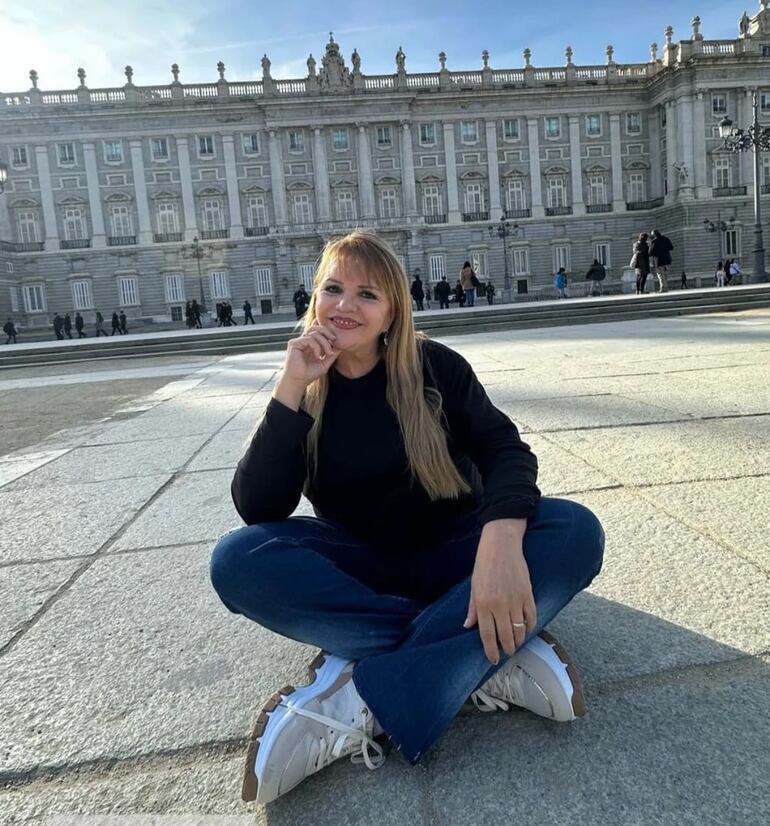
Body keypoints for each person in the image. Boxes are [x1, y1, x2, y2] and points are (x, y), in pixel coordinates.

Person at [209, 230, 605, 805]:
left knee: (575, 531)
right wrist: (291, 386)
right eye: (333, 289)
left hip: (457, 555)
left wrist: (499, 541)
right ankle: (487, 652)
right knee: (236, 560)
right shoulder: (308, 388)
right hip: (362, 567)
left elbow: (505, 451)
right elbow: (259, 508)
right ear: (314, 299)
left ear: (393, 308)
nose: (345, 305)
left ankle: (357, 689)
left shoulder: (434, 366)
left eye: (367, 294)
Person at [649, 229, 673, 293]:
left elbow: (650, 253)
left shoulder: (654, 242)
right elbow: (671, 247)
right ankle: (666, 287)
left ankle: (663, 288)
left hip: (658, 260)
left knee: (660, 274)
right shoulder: (666, 239)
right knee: (665, 274)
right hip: (667, 259)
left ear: (654, 235)